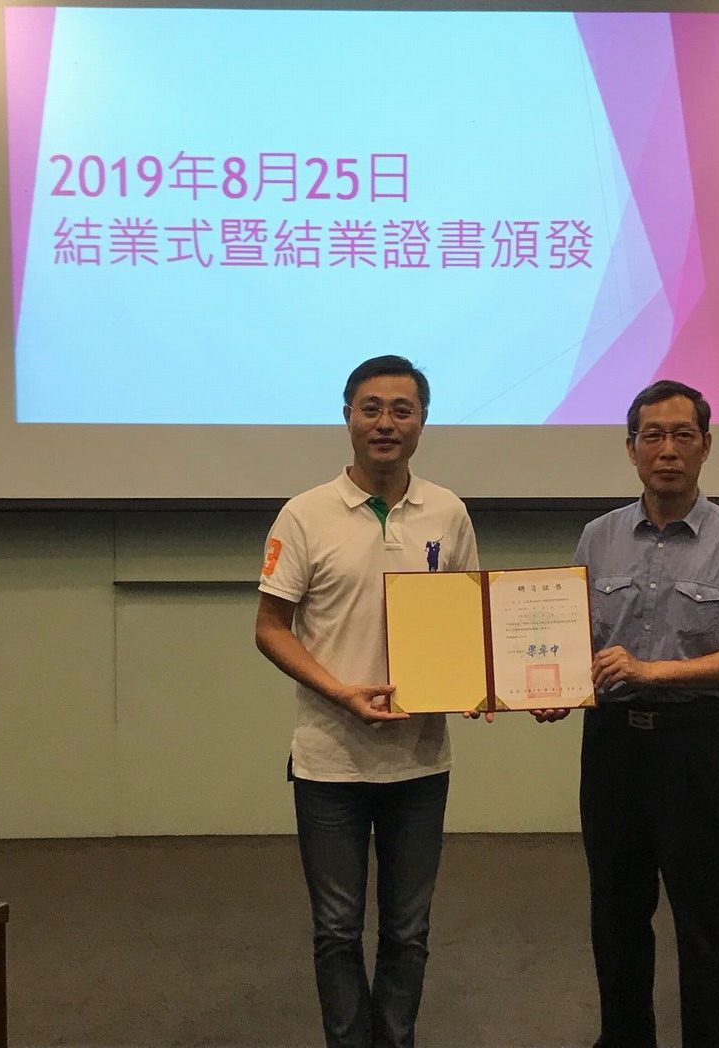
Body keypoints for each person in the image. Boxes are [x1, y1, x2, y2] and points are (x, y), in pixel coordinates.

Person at [255, 355, 479, 1048]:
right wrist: (340, 693)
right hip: (330, 764)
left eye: (402, 410)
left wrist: (479, 684)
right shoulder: (304, 514)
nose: (386, 423)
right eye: (372, 408)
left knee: (408, 932)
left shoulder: (448, 511)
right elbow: (270, 628)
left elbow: (468, 620)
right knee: (336, 930)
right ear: (347, 417)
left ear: (422, 422)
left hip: (420, 761)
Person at [572, 379, 719, 1048]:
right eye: (652, 435)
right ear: (630, 448)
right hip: (610, 746)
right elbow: (574, 645)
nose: (667, 450)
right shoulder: (597, 537)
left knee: (707, 918)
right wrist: (553, 692)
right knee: (615, 912)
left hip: (693, 747)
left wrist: (651, 671)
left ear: (705, 445)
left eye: (683, 435)